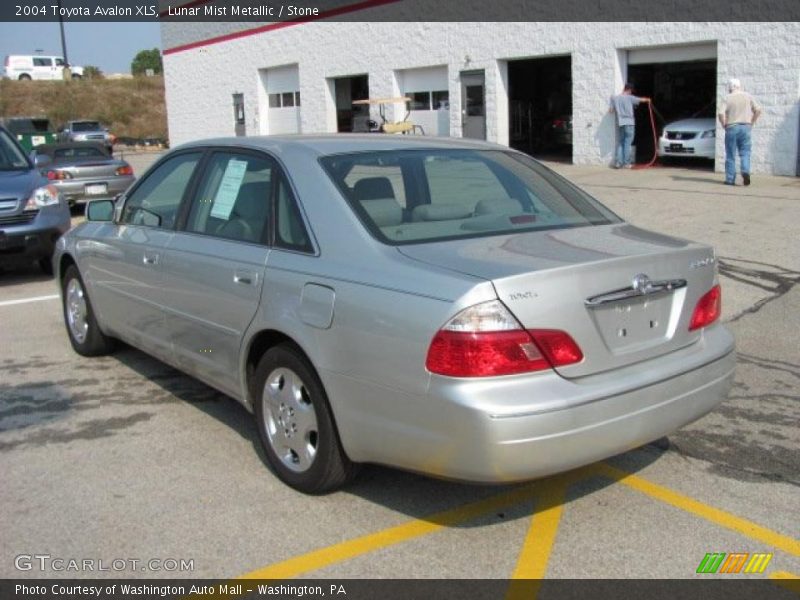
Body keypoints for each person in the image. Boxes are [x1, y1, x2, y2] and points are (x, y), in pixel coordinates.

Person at [718, 78, 762, 186]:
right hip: (746, 127)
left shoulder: (727, 98)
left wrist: (724, 124)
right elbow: (758, 110)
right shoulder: (748, 96)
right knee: (745, 152)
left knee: (730, 154)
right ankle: (745, 170)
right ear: (739, 86)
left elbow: (720, 113)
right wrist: (752, 122)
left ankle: (730, 179)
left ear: (730, 87)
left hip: (732, 127)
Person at [609, 83, 651, 169]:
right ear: (629, 90)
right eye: (631, 91)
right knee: (627, 143)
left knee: (620, 142)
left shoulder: (615, 98)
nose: (631, 92)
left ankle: (618, 163)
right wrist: (648, 100)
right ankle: (626, 163)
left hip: (620, 123)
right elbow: (641, 100)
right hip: (629, 122)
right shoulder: (630, 98)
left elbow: (611, 111)